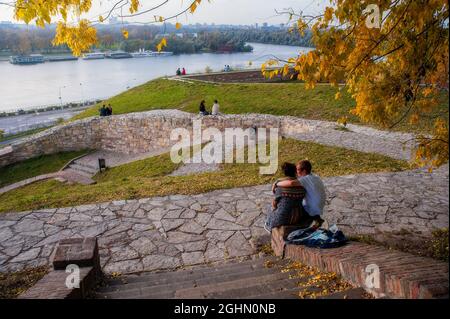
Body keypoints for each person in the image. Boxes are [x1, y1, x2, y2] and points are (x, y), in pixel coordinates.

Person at [275, 160, 326, 228]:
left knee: (297, 206)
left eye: (297, 170)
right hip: (320, 203)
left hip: (313, 206)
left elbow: (291, 183)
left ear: (304, 171)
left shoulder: (305, 179)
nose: (296, 172)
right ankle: (317, 218)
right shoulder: (314, 176)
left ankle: (306, 222)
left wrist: (277, 184)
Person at [264, 162, 307, 232]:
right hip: (298, 217)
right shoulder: (302, 186)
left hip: (283, 218)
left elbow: (274, 204)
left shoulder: (280, 188)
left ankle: (269, 226)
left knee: (270, 208)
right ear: (295, 172)